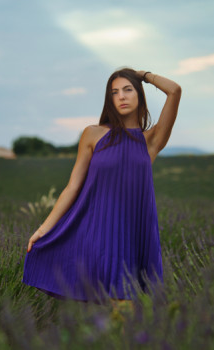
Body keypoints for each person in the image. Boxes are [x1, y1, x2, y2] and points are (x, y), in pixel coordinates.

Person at [22, 68, 182, 306]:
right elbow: (72, 187)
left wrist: (143, 76)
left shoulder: (151, 141)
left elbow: (174, 91)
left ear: (139, 94)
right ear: (109, 99)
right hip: (95, 232)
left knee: (127, 308)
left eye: (128, 90)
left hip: (134, 235)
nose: (122, 96)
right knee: (110, 306)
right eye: (114, 92)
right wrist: (44, 228)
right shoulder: (93, 134)